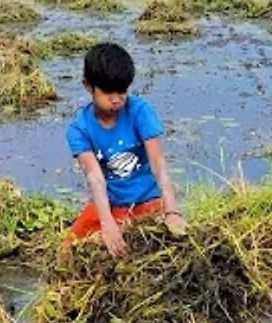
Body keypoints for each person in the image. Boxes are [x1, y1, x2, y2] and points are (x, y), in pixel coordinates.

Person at [66, 42, 187, 257]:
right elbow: (95, 177)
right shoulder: (79, 129)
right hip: (111, 205)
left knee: (162, 248)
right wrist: (107, 224)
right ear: (88, 86)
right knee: (70, 248)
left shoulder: (140, 112)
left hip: (148, 202)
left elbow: (159, 166)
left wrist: (171, 210)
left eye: (121, 91)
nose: (116, 99)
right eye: (108, 92)